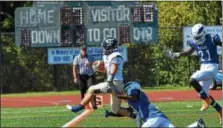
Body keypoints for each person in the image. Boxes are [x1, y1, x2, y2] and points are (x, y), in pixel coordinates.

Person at [166, 23, 222, 124]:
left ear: (204, 33)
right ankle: (220, 110)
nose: (197, 39)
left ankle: (205, 99)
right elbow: (188, 53)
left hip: (212, 67)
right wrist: (175, 54)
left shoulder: (212, 38)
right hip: (203, 67)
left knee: (192, 80)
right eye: (195, 37)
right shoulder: (196, 43)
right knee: (204, 94)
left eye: (198, 37)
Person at [66, 37, 136, 119]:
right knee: (115, 109)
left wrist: (109, 80)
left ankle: (79, 107)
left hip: (114, 83)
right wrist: (99, 69)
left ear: (109, 47)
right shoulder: (108, 56)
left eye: (105, 47)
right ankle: (135, 115)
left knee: (91, 89)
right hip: (115, 83)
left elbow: (114, 69)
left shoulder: (115, 55)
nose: (104, 49)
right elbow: (108, 71)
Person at [108, 81, 206, 128]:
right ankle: (197, 125)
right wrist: (113, 113)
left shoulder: (135, 91)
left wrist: (118, 95)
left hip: (153, 118)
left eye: (125, 90)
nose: (125, 92)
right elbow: (131, 111)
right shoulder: (135, 97)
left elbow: (134, 97)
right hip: (160, 117)